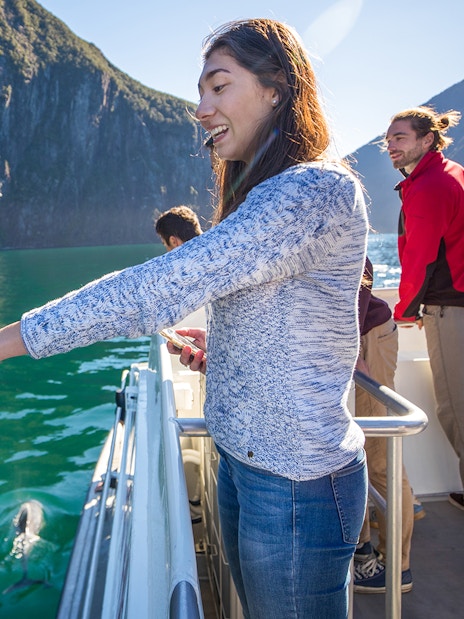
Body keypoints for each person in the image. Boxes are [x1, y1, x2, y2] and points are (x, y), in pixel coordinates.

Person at [0, 19, 369, 618]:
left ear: (277, 86)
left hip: (296, 484)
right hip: (245, 462)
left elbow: (160, 285)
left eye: (218, 87)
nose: (202, 107)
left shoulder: (313, 190)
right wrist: (225, 350)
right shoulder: (264, 194)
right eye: (201, 91)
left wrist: (12, 339)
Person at [385, 106, 464, 512]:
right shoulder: (451, 172)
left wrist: (404, 310)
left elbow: (421, 257)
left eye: (399, 137)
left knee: (456, 407)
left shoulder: (430, 185)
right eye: (388, 139)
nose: (390, 145)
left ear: (426, 139)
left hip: (451, 308)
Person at [353, 257, 414, 593]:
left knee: (379, 459)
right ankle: (363, 551)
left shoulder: (331, 213)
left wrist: (352, 351)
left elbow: (363, 269)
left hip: (368, 341)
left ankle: (396, 567)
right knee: (357, 453)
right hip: (353, 343)